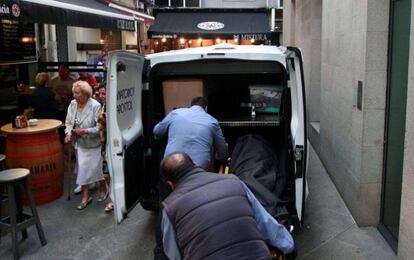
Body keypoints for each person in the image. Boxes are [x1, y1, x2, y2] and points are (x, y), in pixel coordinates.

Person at [160, 152, 295, 259]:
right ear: (195, 164)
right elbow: (264, 222)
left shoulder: (170, 208)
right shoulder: (234, 181)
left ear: (170, 184)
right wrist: (288, 246)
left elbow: (173, 254)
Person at [64, 81, 108, 210]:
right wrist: (68, 133)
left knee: (97, 169)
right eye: (74, 93)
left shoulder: (95, 106)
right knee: (83, 170)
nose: (74, 95)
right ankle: (85, 196)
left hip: (95, 143)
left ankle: (103, 189)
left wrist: (84, 130)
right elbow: (68, 122)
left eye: (77, 93)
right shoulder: (72, 105)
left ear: (85, 94)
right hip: (81, 144)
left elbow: (99, 127)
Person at [153, 96, 228, 169]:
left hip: (172, 164)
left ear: (191, 106)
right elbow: (223, 150)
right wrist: (221, 159)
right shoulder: (212, 121)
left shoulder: (176, 113)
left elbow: (157, 131)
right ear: (206, 108)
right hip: (197, 168)